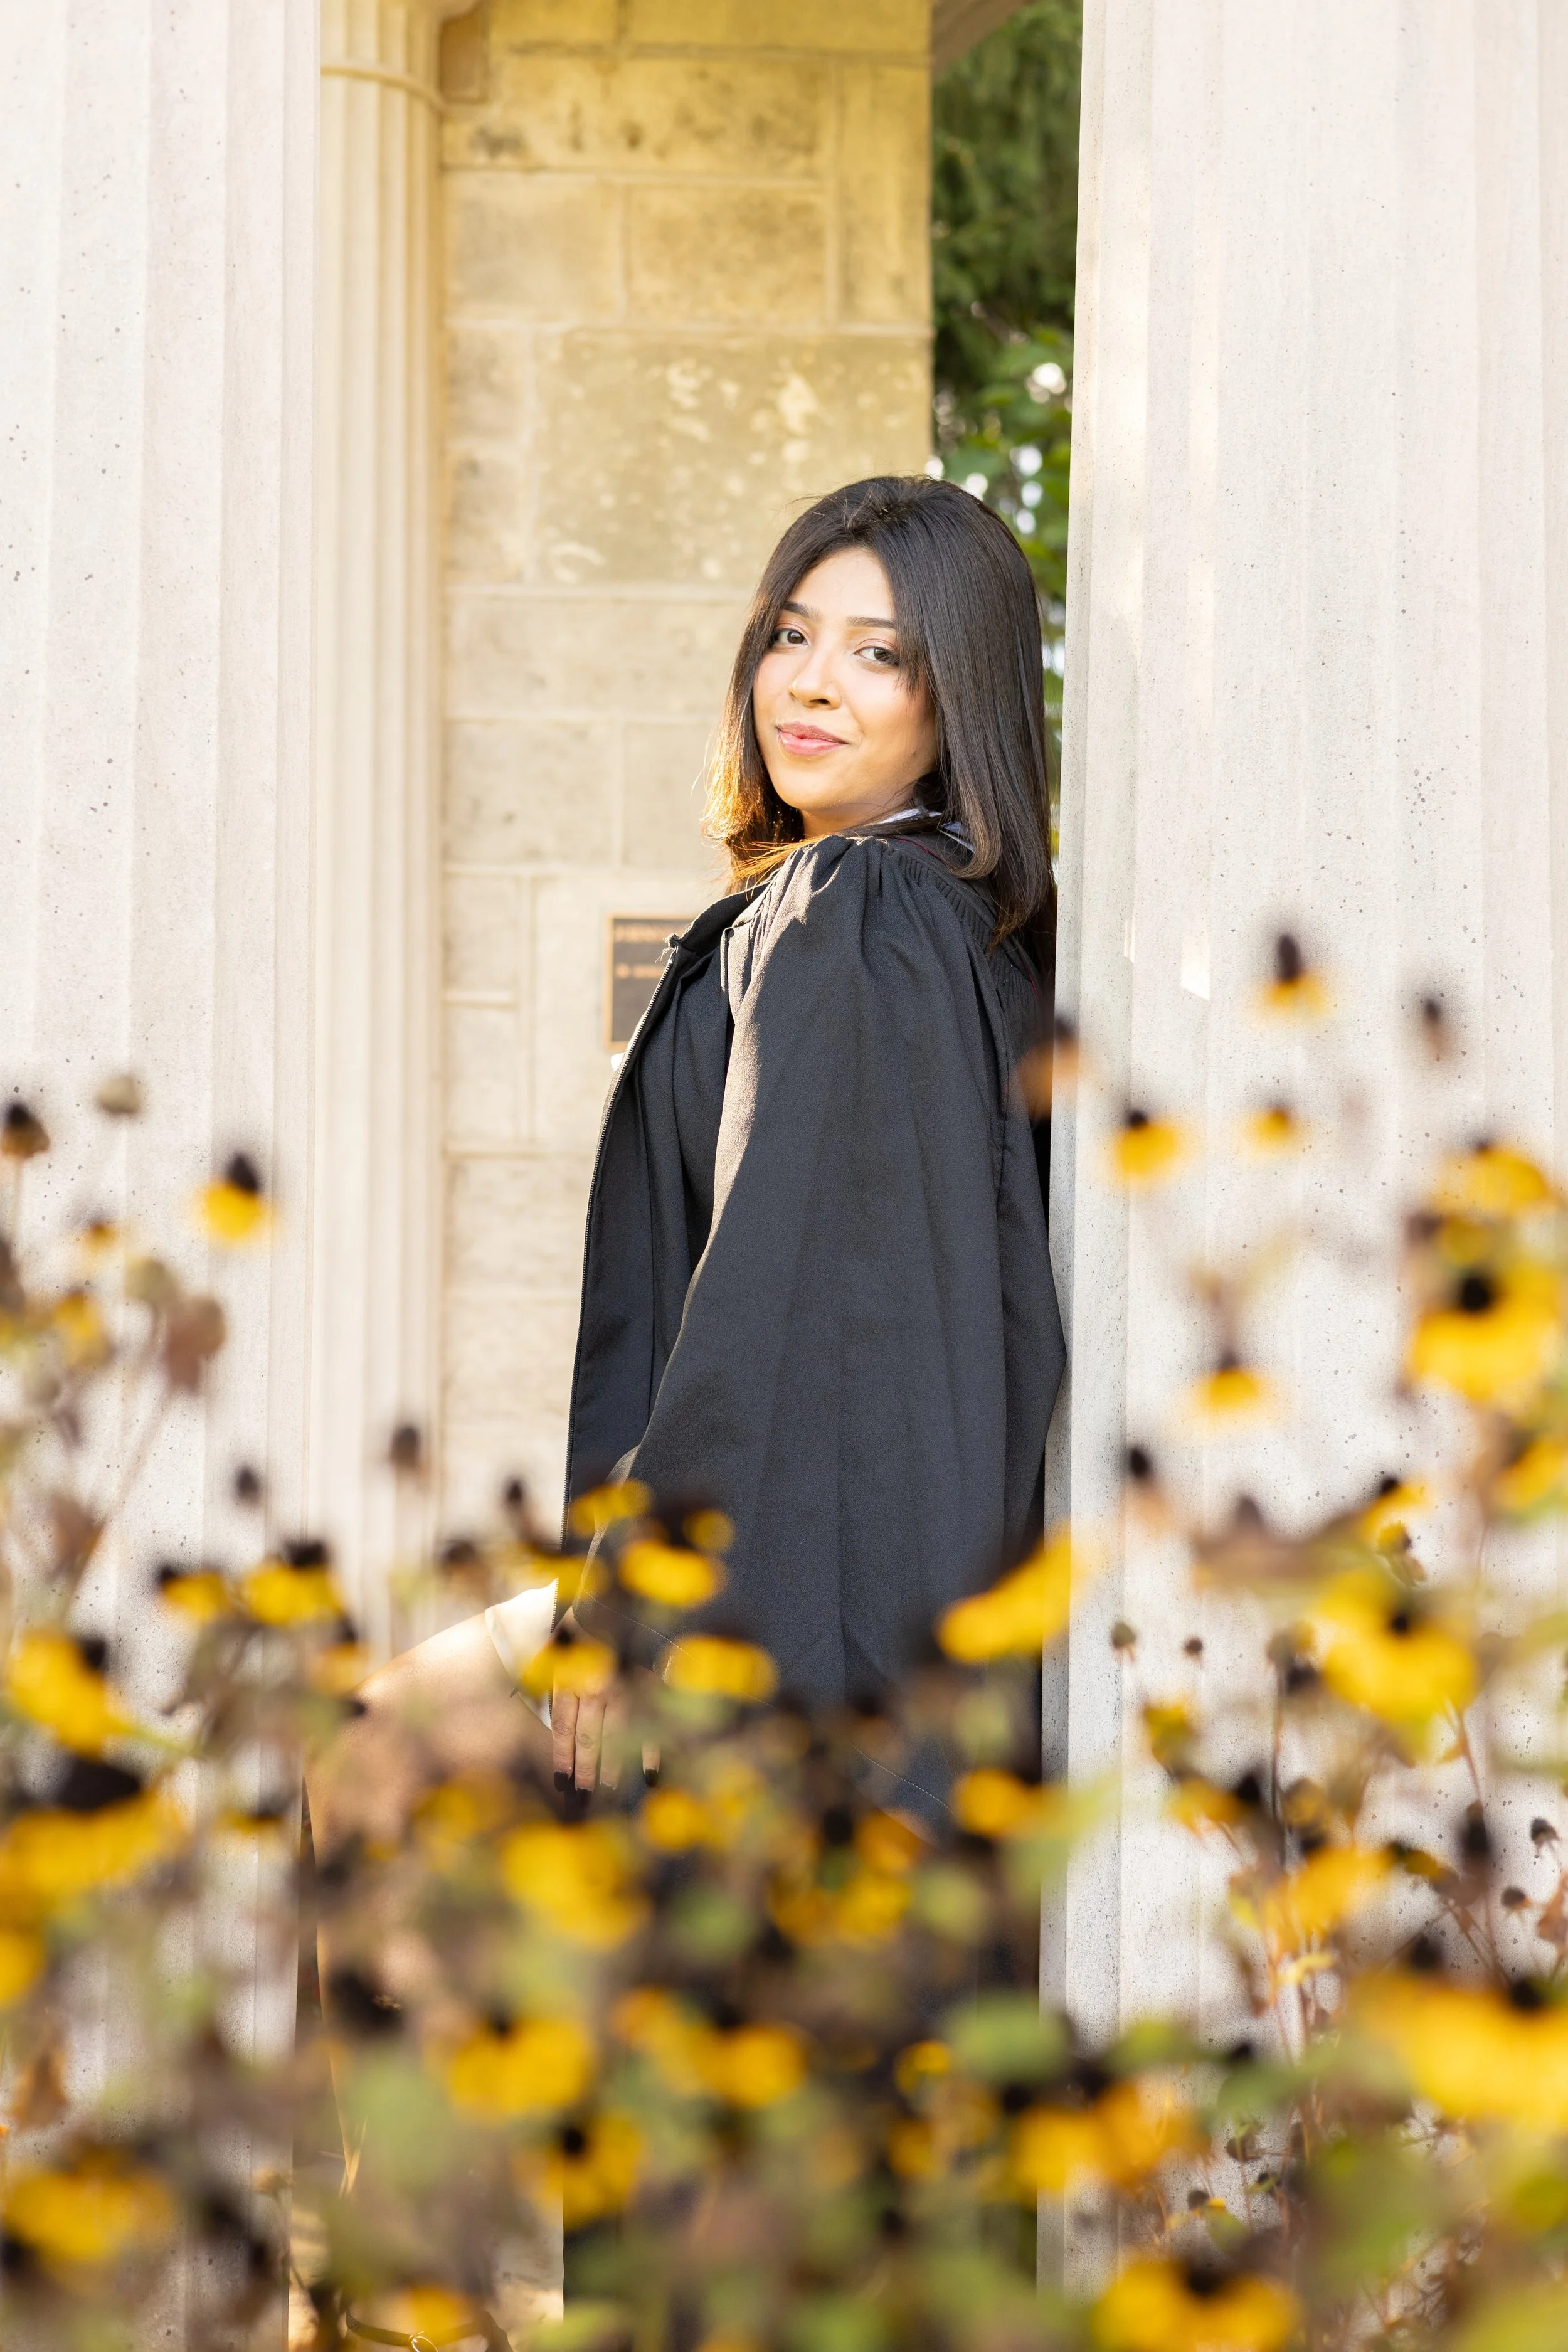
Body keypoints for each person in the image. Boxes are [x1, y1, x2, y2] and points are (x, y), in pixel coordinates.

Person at [309, 474, 1065, 1849]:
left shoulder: (863, 912)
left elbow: (770, 1280)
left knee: (373, 1765)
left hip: (785, 1595)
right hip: (846, 1585)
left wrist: (631, 1587)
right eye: (788, 635)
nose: (812, 683)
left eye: (877, 653)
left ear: (955, 698)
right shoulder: (922, 920)